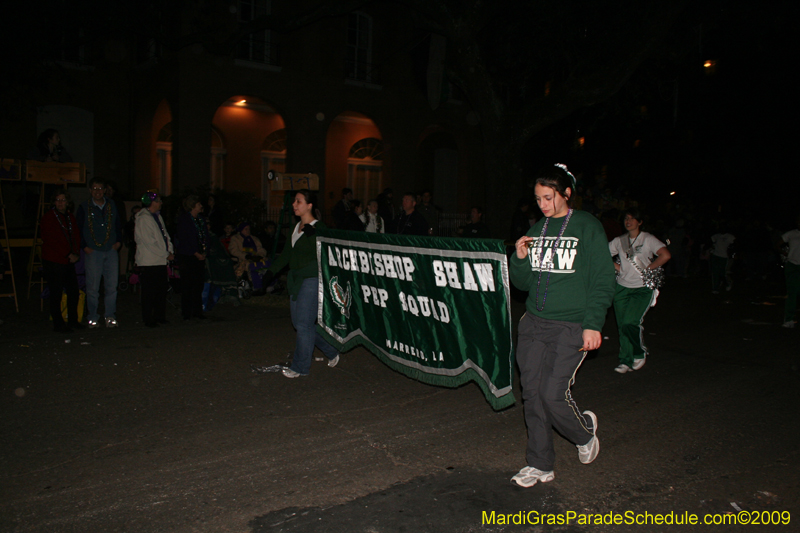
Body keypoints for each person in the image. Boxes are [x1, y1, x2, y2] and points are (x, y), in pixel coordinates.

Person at [508, 163, 615, 488]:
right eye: (538, 198)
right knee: (532, 395)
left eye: (548, 197)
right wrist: (520, 258)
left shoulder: (586, 225)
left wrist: (593, 324)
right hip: (534, 324)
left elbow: (602, 278)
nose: (542, 204)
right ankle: (540, 464)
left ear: (566, 193)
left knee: (552, 394)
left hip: (571, 325)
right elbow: (523, 284)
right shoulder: (538, 228)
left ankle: (584, 434)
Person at [262, 190, 340, 378]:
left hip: (312, 278)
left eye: (298, 201)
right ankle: (331, 350)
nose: (294, 205)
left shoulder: (319, 227)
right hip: (296, 280)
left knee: (304, 325)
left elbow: (326, 251)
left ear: (309, 205)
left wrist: (316, 235)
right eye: (294, 201)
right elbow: (287, 255)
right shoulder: (296, 227)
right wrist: (270, 272)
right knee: (300, 324)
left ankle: (300, 367)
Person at [608, 209, 671, 373]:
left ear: (640, 222)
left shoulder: (647, 239)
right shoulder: (619, 241)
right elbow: (602, 255)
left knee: (630, 322)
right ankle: (625, 361)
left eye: (632, 218)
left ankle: (639, 352)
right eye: (626, 219)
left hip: (642, 288)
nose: (628, 221)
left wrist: (649, 269)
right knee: (622, 326)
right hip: (622, 288)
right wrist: (618, 268)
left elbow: (665, 255)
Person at [76, 177, 123, 328]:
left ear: (105, 190)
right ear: (90, 190)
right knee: (93, 287)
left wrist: (118, 242)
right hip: (93, 251)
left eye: (100, 188)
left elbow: (118, 224)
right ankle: (93, 316)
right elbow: (78, 229)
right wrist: (85, 247)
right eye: (95, 189)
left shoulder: (111, 205)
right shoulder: (84, 207)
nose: (98, 192)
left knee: (111, 286)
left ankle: (110, 315)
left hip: (110, 250)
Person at [41, 191, 83, 332]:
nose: (60, 203)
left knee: (73, 291)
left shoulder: (70, 217)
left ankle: (73, 320)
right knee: (56, 292)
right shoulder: (49, 217)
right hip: (54, 260)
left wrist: (75, 253)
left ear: (67, 202)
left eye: (63, 200)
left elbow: (75, 236)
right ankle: (58, 323)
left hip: (68, 261)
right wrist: (67, 254)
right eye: (57, 200)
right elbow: (51, 239)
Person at [134, 193, 174, 328]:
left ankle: (159, 316)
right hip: (149, 261)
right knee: (149, 292)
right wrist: (165, 254)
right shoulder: (143, 219)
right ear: (153, 202)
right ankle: (148, 318)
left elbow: (165, 235)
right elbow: (149, 242)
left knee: (161, 290)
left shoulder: (157, 216)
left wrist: (170, 250)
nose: (161, 203)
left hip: (160, 260)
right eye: (159, 201)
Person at [175, 195, 208, 320]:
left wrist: (204, 251)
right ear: (193, 205)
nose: (201, 206)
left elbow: (205, 236)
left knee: (198, 284)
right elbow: (184, 239)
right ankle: (187, 312)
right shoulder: (184, 220)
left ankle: (197, 311)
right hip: (188, 256)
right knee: (188, 284)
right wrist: (195, 252)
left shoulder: (201, 220)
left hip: (200, 256)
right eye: (199, 204)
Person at [228, 222, 270, 295]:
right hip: (242, 259)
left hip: (255, 258)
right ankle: (252, 283)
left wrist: (259, 255)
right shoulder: (235, 238)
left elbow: (260, 249)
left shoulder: (254, 239)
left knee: (266, 262)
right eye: (245, 229)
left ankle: (265, 283)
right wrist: (246, 256)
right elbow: (234, 250)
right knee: (247, 264)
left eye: (249, 229)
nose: (248, 231)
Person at [781, 215, 800, 328]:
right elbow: (778, 244)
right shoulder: (791, 234)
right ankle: (789, 319)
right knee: (792, 292)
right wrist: (784, 253)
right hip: (793, 265)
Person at [710, 225, 735, 293]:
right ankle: (715, 288)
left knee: (722, 273)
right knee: (715, 272)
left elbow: (734, 246)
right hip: (715, 255)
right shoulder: (716, 236)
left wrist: (732, 255)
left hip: (724, 257)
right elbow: (711, 242)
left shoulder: (730, 236)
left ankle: (727, 283)